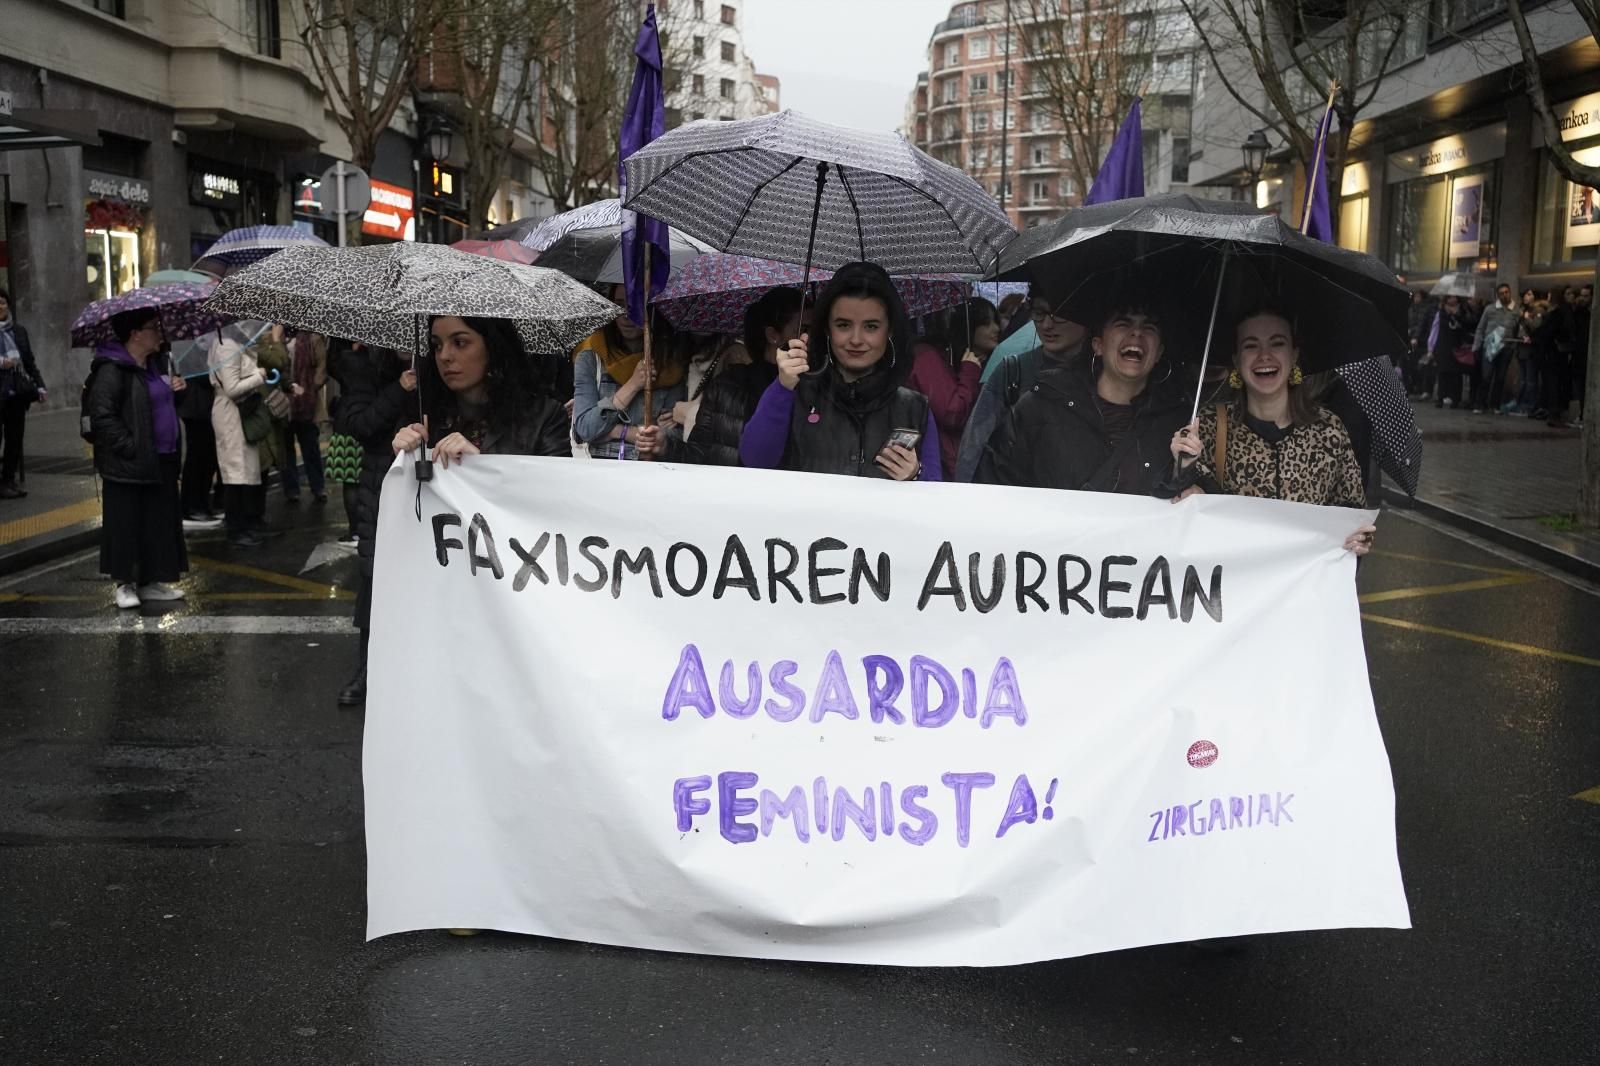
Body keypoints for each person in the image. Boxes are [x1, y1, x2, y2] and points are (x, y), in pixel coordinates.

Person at [1165, 308, 1376, 556]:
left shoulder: (1329, 430)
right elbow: (1184, 511)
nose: (1264, 355)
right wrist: (1183, 469)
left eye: (1277, 343)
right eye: (1251, 346)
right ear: (1236, 360)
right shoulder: (1209, 426)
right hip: (1232, 587)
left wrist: (1360, 539)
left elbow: (1351, 514)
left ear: (1294, 354)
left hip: (1304, 590)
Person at [738, 261, 941, 480]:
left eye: (871, 326)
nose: (856, 339)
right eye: (843, 325)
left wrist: (915, 475)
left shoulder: (914, 407)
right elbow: (754, 461)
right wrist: (782, 388)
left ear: (889, 330)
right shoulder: (795, 391)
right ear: (827, 329)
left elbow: (934, 495)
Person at [976, 297, 1187, 494]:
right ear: (1098, 344)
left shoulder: (1178, 422)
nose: (1137, 334)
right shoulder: (1037, 409)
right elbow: (993, 491)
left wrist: (1186, 480)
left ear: (1159, 352)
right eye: (1123, 324)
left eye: (1149, 327)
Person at [329, 340, 413, 709]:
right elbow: (359, 424)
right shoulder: (363, 366)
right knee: (375, 577)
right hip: (382, 485)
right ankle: (367, 669)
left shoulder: (443, 363)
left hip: (436, 482)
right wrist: (401, 388)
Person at [85, 308, 187, 608]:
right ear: (134, 334)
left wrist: (178, 390)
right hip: (129, 463)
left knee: (157, 523)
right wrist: (130, 447)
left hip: (162, 458)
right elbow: (103, 416)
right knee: (126, 523)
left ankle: (151, 581)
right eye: (152, 327)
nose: (159, 332)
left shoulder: (156, 365)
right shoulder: (113, 369)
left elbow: (161, 405)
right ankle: (125, 584)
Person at [392, 315, 573, 464]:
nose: (444, 356)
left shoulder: (543, 417)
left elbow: (555, 496)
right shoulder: (425, 417)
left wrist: (480, 467)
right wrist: (405, 458)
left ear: (493, 347)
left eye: (460, 343)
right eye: (436, 345)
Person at [954, 294, 1089, 481]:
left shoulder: (1108, 375)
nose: (1047, 324)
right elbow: (973, 450)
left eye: (1059, 314)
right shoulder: (1012, 372)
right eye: (1039, 313)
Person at [668, 286, 805, 467]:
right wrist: (663, 447)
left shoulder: (818, 388)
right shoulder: (728, 384)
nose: (807, 337)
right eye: (803, 328)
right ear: (773, 335)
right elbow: (698, 454)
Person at [571, 284, 688, 459]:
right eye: (619, 305)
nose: (626, 316)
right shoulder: (591, 358)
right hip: (600, 473)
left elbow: (680, 435)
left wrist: (662, 440)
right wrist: (633, 385)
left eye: (636, 306)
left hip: (650, 474)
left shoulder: (669, 363)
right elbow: (585, 428)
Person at [908, 297, 999, 477]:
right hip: (938, 467)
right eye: (986, 323)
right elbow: (953, 413)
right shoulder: (927, 357)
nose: (996, 329)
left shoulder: (954, 359)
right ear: (968, 325)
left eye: (996, 321)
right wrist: (970, 372)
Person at [209, 327, 270, 547]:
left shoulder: (234, 345)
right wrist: (258, 376)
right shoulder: (227, 347)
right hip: (231, 414)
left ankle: (244, 525)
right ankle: (236, 529)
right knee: (235, 473)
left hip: (239, 413)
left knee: (243, 471)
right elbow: (232, 388)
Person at [0, 286, 45, 499]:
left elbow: (29, 362)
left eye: (2, 302)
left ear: (8, 305)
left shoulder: (19, 331)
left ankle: (8, 480)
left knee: (14, 439)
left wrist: (40, 385)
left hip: (16, 393)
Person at [280, 329, 328, 503]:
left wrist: (311, 389)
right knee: (285, 449)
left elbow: (322, 365)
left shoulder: (313, 337)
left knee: (310, 446)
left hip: (308, 402)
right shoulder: (277, 336)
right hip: (284, 403)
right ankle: (291, 489)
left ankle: (318, 486)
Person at [1471, 283, 1518, 413]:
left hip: (1506, 347)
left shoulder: (1515, 310)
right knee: (1486, 376)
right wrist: (1476, 345)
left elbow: (1519, 328)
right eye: (1501, 293)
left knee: (1500, 377)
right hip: (1490, 347)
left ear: (1510, 293)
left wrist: (1516, 343)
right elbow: (1480, 328)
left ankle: (1494, 405)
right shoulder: (1490, 309)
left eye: (1506, 292)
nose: (1504, 295)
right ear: (1498, 295)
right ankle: (1479, 404)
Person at [1425, 295, 1472, 409]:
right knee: (1442, 373)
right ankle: (1440, 398)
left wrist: (1457, 316)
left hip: (1456, 347)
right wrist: (1430, 348)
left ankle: (1455, 399)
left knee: (1456, 374)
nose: (1452, 299)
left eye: (1454, 297)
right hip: (1442, 347)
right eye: (1450, 297)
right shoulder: (1440, 313)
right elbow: (1434, 331)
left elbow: (1465, 328)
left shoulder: (1462, 312)